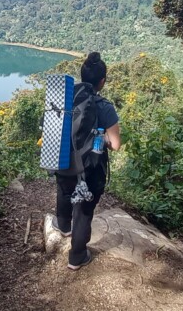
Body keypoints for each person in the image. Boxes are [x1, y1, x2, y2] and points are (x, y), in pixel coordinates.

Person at [53, 51, 122, 270]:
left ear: (82, 76)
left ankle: (63, 226)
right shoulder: (105, 107)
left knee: (64, 190)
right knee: (83, 210)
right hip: (89, 168)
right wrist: (102, 139)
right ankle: (77, 256)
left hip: (62, 160)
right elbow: (116, 144)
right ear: (102, 81)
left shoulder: (65, 99)